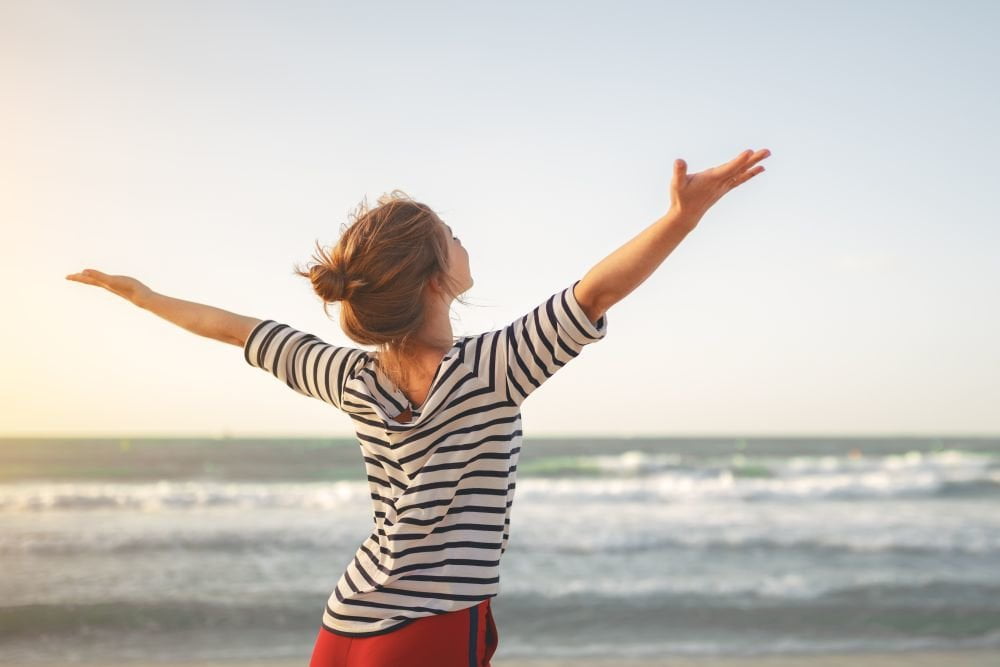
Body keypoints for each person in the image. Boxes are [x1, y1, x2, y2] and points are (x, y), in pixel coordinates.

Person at [65, 148, 770, 666]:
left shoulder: (347, 376)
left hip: (343, 623)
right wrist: (682, 216)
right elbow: (595, 292)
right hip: (429, 626)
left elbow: (239, 330)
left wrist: (144, 296)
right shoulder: (493, 369)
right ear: (436, 277)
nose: (465, 242)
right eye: (452, 236)